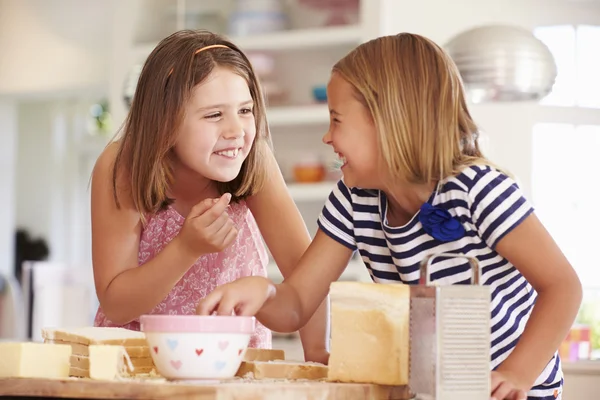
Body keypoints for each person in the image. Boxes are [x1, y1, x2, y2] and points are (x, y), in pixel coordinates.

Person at [196, 33, 582, 400]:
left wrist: (517, 374)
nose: (327, 137)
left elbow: (563, 287)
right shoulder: (353, 200)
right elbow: (297, 304)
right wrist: (261, 290)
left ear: (388, 122)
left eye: (337, 120)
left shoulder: (477, 189)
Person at [89, 29, 328, 363]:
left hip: (233, 365)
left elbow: (309, 276)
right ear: (165, 122)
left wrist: (316, 353)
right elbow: (114, 301)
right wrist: (186, 249)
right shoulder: (124, 166)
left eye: (245, 111)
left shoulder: (254, 161)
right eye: (214, 115)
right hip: (138, 365)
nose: (236, 131)